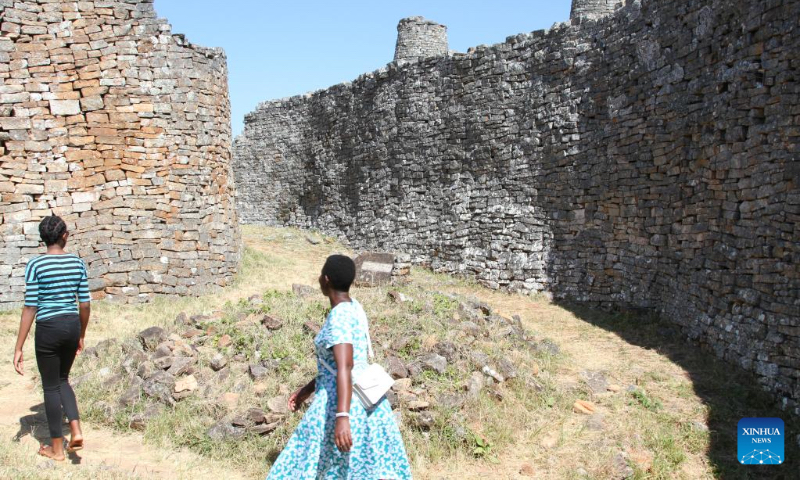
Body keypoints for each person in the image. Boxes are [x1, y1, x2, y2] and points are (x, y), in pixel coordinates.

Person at [267, 254, 412, 479]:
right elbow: (335, 365)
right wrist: (306, 390)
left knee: (311, 459)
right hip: (365, 401)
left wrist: (342, 417)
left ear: (326, 280)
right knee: (359, 466)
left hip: (342, 402)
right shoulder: (355, 308)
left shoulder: (340, 316)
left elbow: (345, 366)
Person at [13, 214, 91, 461]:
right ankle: (75, 428)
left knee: (50, 386)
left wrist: (18, 347)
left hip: (48, 327)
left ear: (43, 238)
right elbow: (85, 304)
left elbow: (30, 307)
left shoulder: (36, 265)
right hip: (71, 325)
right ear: (64, 235)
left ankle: (56, 448)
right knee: (63, 379)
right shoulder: (77, 263)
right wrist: (81, 332)